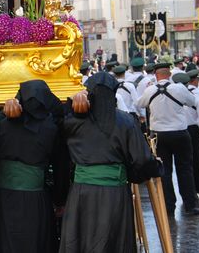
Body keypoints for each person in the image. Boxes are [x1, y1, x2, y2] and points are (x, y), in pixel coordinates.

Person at [59, 72, 162, 252]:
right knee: (113, 240)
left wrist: (72, 105)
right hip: (113, 192)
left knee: (82, 239)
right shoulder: (126, 120)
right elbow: (142, 159)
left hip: (82, 192)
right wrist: (146, 171)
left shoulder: (72, 122)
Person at [0, 80, 64, 253]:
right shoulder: (51, 128)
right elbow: (60, 168)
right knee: (36, 240)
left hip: (5, 196)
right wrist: (60, 200)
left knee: (7, 240)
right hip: (35, 198)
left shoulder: (3, 124)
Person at [136, 62, 199, 216]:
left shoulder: (150, 90)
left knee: (164, 172)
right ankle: (190, 205)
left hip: (159, 135)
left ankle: (168, 207)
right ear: (169, 75)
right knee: (185, 169)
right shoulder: (179, 88)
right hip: (179, 132)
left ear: (156, 75)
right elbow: (193, 102)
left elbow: (138, 104)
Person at [172, 73, 199, 201]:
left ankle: (187, 194)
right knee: (197, 162)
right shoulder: (195, 97)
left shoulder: (170, 96)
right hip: (193, 130)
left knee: (182, 165)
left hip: (177, 129)